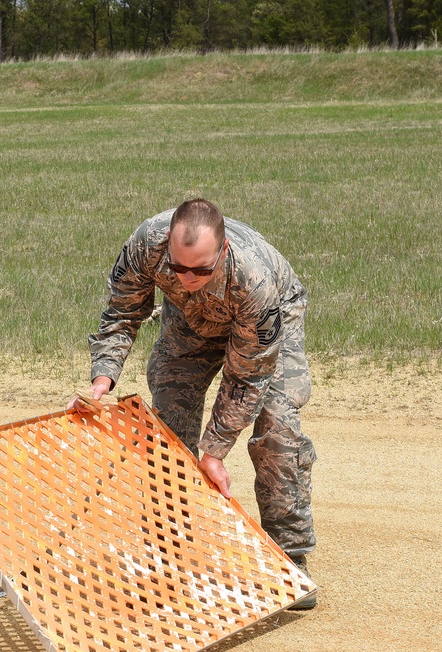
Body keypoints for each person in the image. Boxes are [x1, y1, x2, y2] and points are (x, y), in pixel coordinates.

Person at [75, 198, 318, 610]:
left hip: (264, 326)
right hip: (189, 320)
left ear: (221, 253)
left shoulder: (255, 281)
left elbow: (247, 375)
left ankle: (288, 555)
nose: (188, 277)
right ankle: (169, 554)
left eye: (201, 270)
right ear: (168, 245)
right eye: (179, 267)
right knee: (166, 427)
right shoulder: (146, 243)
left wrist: (215, 451)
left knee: (277, 425)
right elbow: (121, 311)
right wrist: (103, 378)